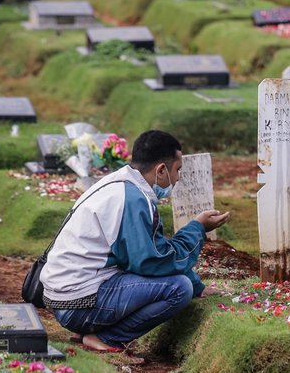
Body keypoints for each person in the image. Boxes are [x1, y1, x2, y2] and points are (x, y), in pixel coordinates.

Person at [41, 129, 229, 353]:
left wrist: (200, 287)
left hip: (63, 297)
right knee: (179, 289)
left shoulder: (119, 182)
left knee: (177, 281)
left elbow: (151, 251)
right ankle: (108, 338)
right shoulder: (133, 199)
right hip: (78, 304)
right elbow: (153, 262)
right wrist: (197, 229)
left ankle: (90, 327)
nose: (178, 178)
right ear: (161, 170)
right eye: (177, 170)